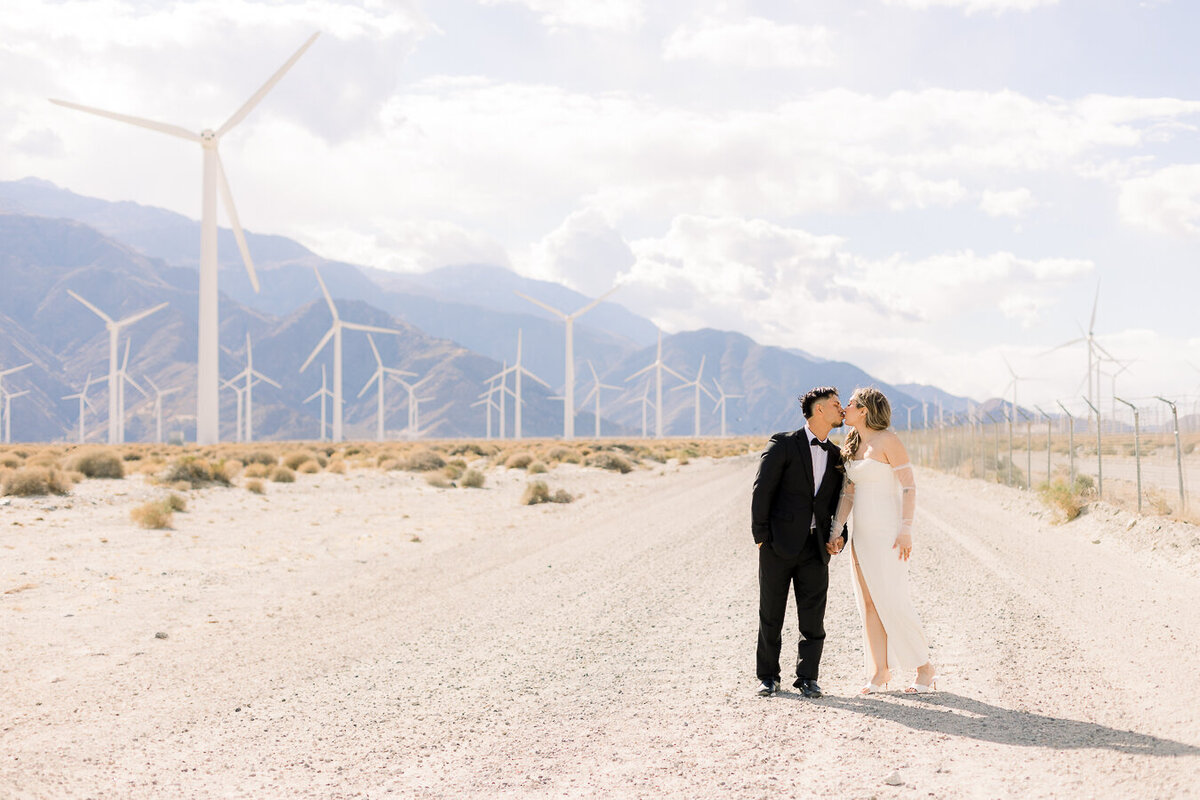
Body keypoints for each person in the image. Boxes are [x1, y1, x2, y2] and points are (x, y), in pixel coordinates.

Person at [826, 387, 937, 694]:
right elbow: (848, 493)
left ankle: (925, 668)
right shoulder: (852, 442)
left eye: (850, 404)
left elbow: (909, 487)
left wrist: (906, 529)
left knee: (894, 600)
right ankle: (880, 672)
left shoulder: (888, 440)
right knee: (869, 604)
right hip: (862, 535)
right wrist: (836, 529)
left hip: (889, 534)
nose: (844, 408)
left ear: (864, 410)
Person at [751, 386, 848, 698]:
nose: (842, 409)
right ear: (818, 410)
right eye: (836, 405)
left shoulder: (836, 455)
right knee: (771, 614)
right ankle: (768, 677)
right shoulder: (783, 444)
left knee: (813, 618)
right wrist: (762, 538)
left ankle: (808, 677)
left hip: (815, 549)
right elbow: (761, 490)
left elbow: (839, 504)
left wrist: (841, 537)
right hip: (778, 546)